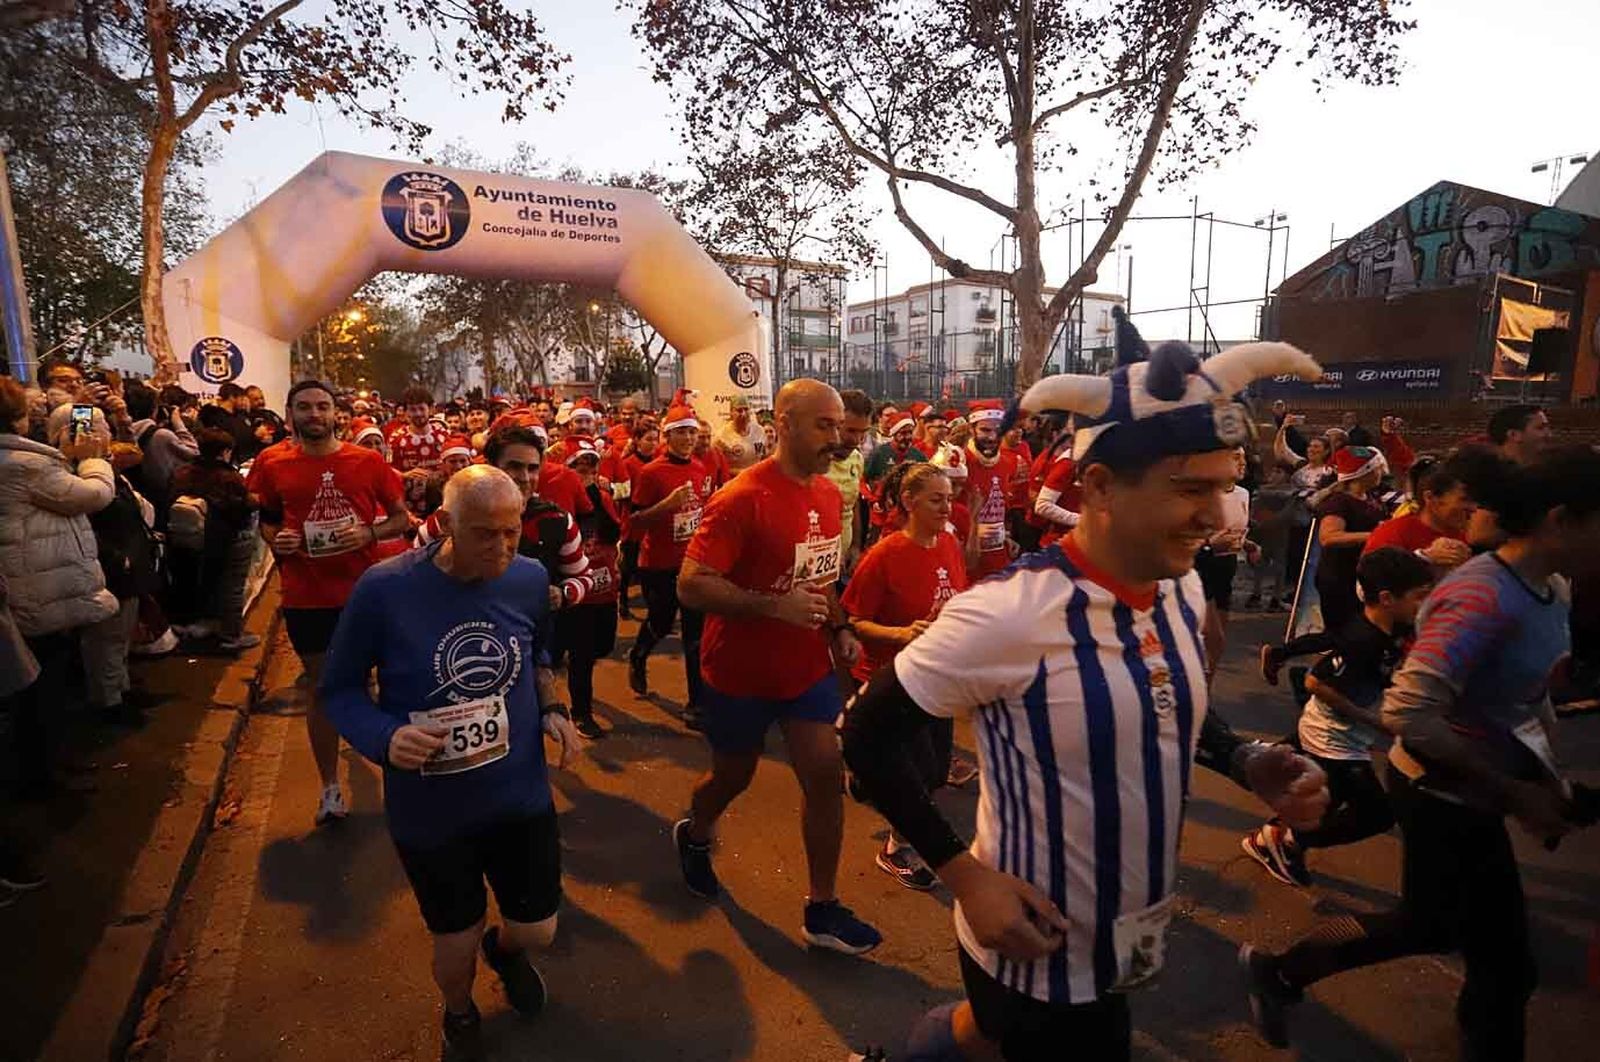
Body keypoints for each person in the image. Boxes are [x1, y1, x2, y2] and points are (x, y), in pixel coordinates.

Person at [841, 322, 1331, 1062]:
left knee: (987, 1041)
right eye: (1188, 488)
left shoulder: (1182, 585)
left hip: (1135, 919)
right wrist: (964, 875)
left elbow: (1162, 694)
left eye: (1225, 487)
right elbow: (865, 735)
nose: (1217, 514)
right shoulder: (1008, 612)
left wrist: (1242, 759)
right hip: (1031, 939)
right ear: (1098, 486)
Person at [1241, 446, 1600, 1059]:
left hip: (1479, 790)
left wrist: (1547, 779)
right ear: (1561, 520)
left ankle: (1284, 972)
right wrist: (1516, 793)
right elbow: (1409, 711)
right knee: (1491, 959)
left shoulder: (1551, 587)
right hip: (1438, 792)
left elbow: (1529, 697)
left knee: (1474, 950)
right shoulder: (1482, 595)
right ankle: (1282, 971)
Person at [320, 465, 581, 1061]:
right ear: (446, 525)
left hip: (518, 795)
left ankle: (507, 953)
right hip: (431, 809)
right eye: (486, 533)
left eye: (512, 531)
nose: (503, 547)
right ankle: (460, 1012)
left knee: (539, 928)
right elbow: (339, 690)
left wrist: (554, 709)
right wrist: (384, 738)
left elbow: (536, 651)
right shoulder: (385, 589)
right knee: (453, 941)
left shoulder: (527, 578)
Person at [673, 379, 882, 955]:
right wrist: (770, 606)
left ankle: (822, 907)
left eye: (840, 426)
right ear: (784, 423)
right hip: (739, 673)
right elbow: (690, 585)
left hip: (804, 670)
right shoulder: (741, 497)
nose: (837, 438)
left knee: (823, 775)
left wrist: (838, 626)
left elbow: (820, 578)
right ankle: (693, 833)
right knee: (731, 778)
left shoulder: (827, 495)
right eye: (824, 425)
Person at [247, 379, 411, 825]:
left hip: (366, 593)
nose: (314, 415)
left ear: (336, 414)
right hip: (307, 596)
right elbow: (267, 520)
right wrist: (276, 541)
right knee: (324, 688)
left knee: (380, 681)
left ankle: (398, 771)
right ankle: (330, 787)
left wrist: (368, 533)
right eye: (305, 407)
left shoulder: (367, 461)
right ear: (291, 413)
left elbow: (402, 519)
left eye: (322, 407)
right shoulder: (271, 462)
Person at [1242, 547, 1434, 887]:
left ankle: (1279, 835)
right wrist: (1374, 721)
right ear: (1388, 599)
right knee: (1376, 814)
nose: (1426, 604)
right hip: (1332, 737)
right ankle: (1285, 840)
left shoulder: (1396, 628)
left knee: (1325, 799)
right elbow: (1317, 681)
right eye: (1420, 597)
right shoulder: (1364, 640)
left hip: (1349, 735)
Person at [841, 463, 968, 890]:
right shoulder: (885, 555)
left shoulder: (949, 542)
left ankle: (865, 777)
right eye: (936, 499)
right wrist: (901, 632)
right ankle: (896, 848)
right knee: (920, 774)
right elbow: (853, 619)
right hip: (893, 681)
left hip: (938, 677)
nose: (946, 507)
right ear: (910, 503)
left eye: (949, 498)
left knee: (934, 770)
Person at [0, 378, 118, 796]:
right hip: (37, 589)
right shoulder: (23, 464)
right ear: (18, 417)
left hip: (22, 586)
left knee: (37, 685)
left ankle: (46, 764)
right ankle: (44, 773)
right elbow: (94, 495)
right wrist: (94, 460)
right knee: (43, 687)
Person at [627, 402, 713, 729]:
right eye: (682, 432)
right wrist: (667, 505)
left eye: (693, 431)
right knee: (661, 623)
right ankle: (639, 654)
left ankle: (697, 705)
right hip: (658, 564)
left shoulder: (701, 467)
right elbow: (634, 521)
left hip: (691, 564)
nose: (690, 438)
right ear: (668, 436)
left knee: (696, 636)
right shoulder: (652, 473)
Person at [167, 428, 260, 650]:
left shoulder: (183, 472)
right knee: (232, 586)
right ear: (225, 452)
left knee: (190, 580)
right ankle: (231, 635)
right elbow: (242, 506)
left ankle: (192, 625)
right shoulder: (228, 477)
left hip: (185, 538)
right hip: (226, 538)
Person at [563, 438, 621, 740]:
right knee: (582, 655)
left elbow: (614, 534)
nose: (586, 471)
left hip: (605, 586)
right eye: (579, 465)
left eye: (591, 465)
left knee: (604, 646)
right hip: (577, 592)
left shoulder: (603, 496)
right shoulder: (560, 501)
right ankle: (581, 712)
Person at [1194, 447, 1261, 681]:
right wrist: (1210, 544)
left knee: (1216, 645)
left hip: (1226, 569)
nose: (1243, 463)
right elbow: (1181, 537)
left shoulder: (1243, 493)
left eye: (1244, 458)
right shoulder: (1202, 494)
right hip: (1201, 567)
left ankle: (1206, 697)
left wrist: (1248, 545)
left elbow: (1233, 532)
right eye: (1235, 458)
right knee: (1213, 638)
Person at [1309, 444, 1387, 633]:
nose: (1381, 473)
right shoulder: (1339, 502)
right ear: (1363, 473)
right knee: (1341, 635)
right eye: (1376, 468)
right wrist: (1375, 536)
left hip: (1360, 574)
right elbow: (1328, 537)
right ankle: (1281, 654)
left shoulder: (1370, 498)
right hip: (1339, 577)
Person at [1362, 451, 1477, 571]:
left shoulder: (1474, 534)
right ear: (1431, 498)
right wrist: (1424, 558)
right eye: (1465, 499)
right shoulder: (1393, 533)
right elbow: (1367, 583)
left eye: (1475, 500)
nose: (1473, 508)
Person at [960, 400, 1021, 580]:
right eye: (985, 430)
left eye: (998, 431)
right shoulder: (957, 461)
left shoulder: (1008, 463)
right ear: (972, 429)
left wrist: (1006, 537)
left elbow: (1000, 508)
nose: (992, 437)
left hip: (998, 557)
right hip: (966, 558)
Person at [828, 389, 872, 577]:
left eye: (863, 432)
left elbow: (852, 505)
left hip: (843, 563)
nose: (856, 440)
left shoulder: (856, 459)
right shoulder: (811, 463)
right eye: (851, 430)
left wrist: (855, 546)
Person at [387, 385, 448, 517]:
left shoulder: (444, 435)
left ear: (431, 409)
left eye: (421, 408)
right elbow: (387, 470)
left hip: (442, 504)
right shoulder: (396, 438)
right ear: (406, 412)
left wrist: (441, 474)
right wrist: (405, 475)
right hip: (410, 509)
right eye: (413, 410)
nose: (418, 414)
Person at [199, 382, 258, 463]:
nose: (243, 402)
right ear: (232, 397)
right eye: (241, 399)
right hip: (229, 461)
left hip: (248, 459)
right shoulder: (214, 416)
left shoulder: (241, 415)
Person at [713, 394, 766, 475]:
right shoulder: (721, 436)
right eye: (739, 410)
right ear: (731, 412)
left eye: (746, 409)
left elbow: (765, 457)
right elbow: (717, 467)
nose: (743, 414)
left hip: (757, 481)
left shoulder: (760, 431)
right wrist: (742, 473)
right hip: (733, 483)